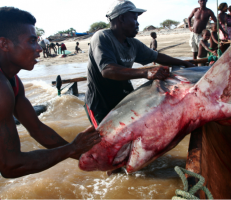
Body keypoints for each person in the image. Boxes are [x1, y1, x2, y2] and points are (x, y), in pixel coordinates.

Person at [0, 7, 101, 199]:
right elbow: (11, 166)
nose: (39, 48)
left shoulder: (11, 80)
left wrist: (86, 155)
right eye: (31, 41)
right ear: (4, 44)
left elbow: (37, 129)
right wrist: (73, 148)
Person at [84, 0, 195, 129]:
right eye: (135, 19)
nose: (138, 24)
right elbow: (107, 70)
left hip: (121, 99)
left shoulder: (133, 44)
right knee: (105, 142)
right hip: (100, 104)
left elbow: (157, 56)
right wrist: (146, 72)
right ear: (122, 18)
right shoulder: (102, 37)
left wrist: (184, 63)